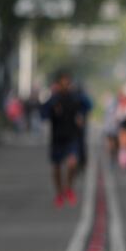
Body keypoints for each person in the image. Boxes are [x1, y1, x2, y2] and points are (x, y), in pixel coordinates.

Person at [41, 70, 87, 207]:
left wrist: (81, 116)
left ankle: (69, 188)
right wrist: (52, 109)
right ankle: (59, 193)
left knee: (73, 163)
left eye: (67, 83)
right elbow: (43, 114)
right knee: (57, 167)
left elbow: (88, 105)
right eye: (62, 83)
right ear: (58, 84)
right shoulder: (53, 99)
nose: (65, 86)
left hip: (72, 136)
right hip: (57, 137)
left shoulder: (76, 98)